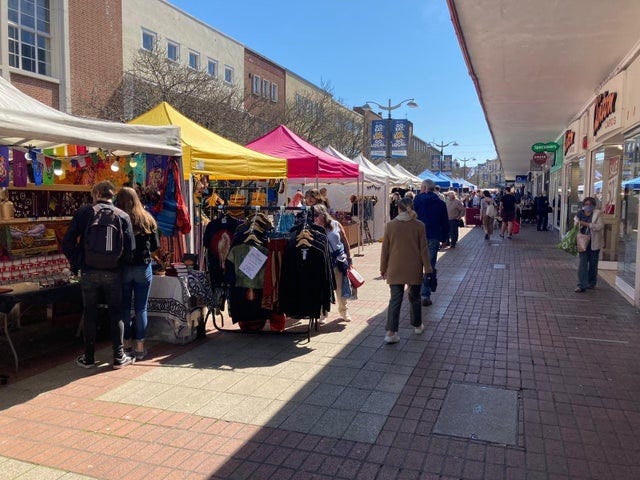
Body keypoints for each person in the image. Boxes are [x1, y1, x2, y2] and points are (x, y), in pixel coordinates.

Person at [62, 180, 136, 369]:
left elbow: (68, 241)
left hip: (88, 271)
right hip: (113, 272)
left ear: (95, 194)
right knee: (116, 313)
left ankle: (88, 358)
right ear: (113, 195)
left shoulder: (85, 212)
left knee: (90, 313)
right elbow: (130, 249)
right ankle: (119, 357)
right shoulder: (123, 215)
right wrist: (119, 263)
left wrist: (77, 262)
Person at [114, 187, 159, 361]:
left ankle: (125, 345)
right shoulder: (146, 218)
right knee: (141, 308)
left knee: (125, 307)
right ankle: (140, 347)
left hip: (124, 267)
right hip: (143, 266)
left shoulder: (118, 218)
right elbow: (155, 246)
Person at [380, 197, 432, 344]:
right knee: (414, 297)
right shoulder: (419, 225)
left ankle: (390, 333)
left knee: (395, 299)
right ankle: (417, 325)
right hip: (414, 267)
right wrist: (428, 268)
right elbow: (424, 249)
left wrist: (383, 268)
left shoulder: (390, 225)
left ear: (398, 208)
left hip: (395, 267)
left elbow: (385, 250)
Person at [413, 179, 449, 306]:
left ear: (424, 188)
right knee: (430, 266)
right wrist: (445, 238)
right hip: (433, 237)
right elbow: (445, 222)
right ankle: (425, 294)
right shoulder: (440, 203)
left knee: (416, 266)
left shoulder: (416, 200)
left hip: (417, 237)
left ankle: (415, 292)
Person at [313, 204, 352, 322]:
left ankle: (344, 311)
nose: (314, 218)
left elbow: (345, 241)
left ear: (323, 214)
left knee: (340, 288)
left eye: (316, 215)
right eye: (313, 215)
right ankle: (323, 313)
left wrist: (349, 258)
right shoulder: (314, 228)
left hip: (338, 260)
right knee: (323, 288)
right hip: (323, 262)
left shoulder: (335, 224)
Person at [574, 197, 604, 293]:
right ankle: (581, 285)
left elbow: (600, 226)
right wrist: (579, 224)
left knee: (593, 264)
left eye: (590, 204)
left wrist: (587, 224)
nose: (588, 206)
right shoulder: (579, 214)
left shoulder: (598, 214)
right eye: (586, 204)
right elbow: (575, 225)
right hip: (582, 242)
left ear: (593, 205)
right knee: (582, 264)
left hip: (593, 242)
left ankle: (591, 282)